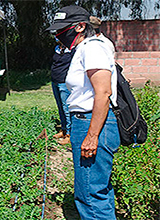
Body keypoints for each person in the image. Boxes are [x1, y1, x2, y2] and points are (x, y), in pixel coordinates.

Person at [46, 5, 119, 219]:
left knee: (90, 194)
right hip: (87, 122)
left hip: (92, 122)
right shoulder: (84, 48)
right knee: (97, 188)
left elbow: (103, 92)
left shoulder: (92, 48)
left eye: (63, 29)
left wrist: (92, 136)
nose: (59, 34)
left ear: (80, 27)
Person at [51, 42, 74, 145]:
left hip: (64, 83)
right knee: (60, 107)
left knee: (66, 108)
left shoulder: (72, 50)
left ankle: (69, 134)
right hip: (55, 81)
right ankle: (63, 129)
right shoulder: (57, 48)